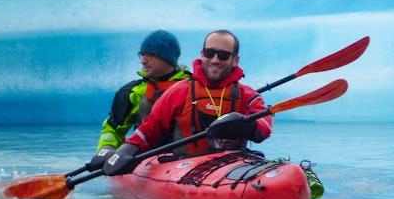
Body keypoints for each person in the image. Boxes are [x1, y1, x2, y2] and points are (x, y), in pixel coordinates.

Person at [104, 29, 272, 175]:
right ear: (202, 54)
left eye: (223, 55)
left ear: (235, 60)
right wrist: (126, 150)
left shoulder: (247, 94)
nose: (215, 60)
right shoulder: (179, 91)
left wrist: (246, 125)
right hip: (184, 166)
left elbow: (264, 126)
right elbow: (149, 129)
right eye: (209, 53)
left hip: (232, 165)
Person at [86, 30, 190, 172]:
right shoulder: (133, 92)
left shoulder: (194, 87)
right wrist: (107, 148)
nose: (143, 60)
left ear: (167, 58)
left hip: (188, 161)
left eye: (150, 55)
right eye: (142, 55)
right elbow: (113, 128)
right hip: (146, 159)